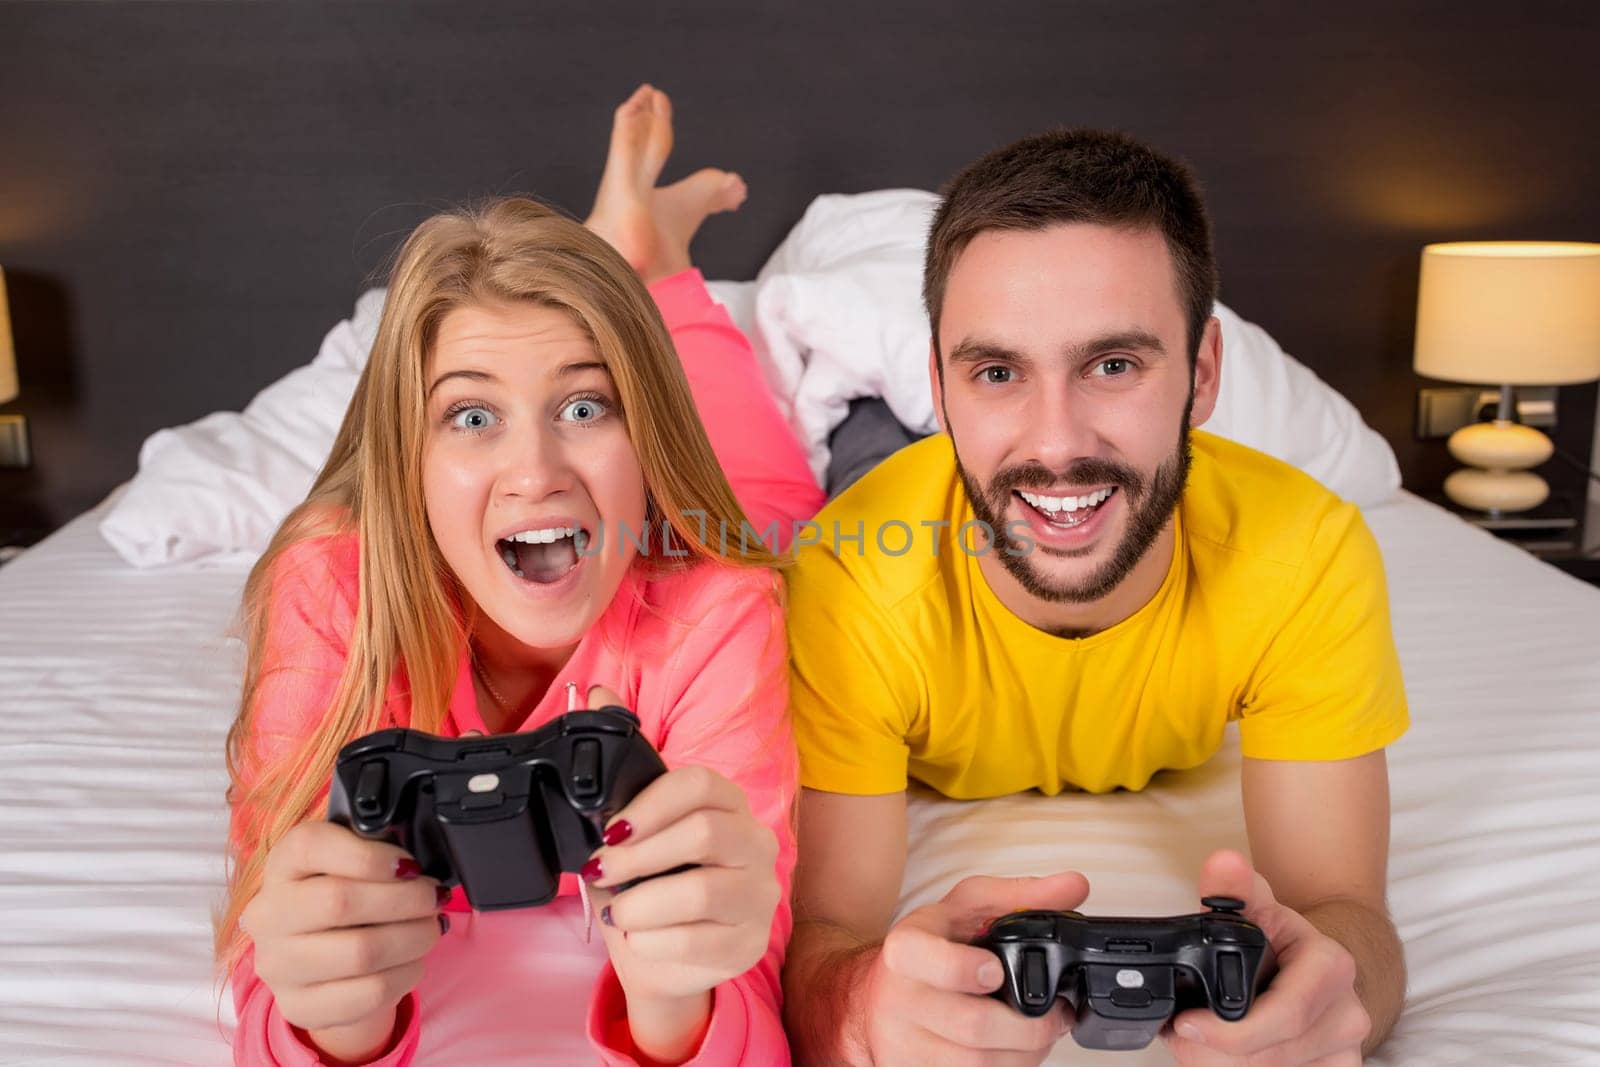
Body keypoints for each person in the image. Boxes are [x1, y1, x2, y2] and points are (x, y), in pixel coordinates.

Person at [216, 84, 823, 1066]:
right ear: (406, 460)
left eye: (587, 407)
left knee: (773, 500)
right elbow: (275, 958)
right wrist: (330, 1013)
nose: (535, 471)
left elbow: (743, 976)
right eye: (470, 416)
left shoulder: (719, 600)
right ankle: (634, 232)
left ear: (642, 436)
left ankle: (653, 251)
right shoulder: (327, 585)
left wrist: (679, 995)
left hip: (684, 534)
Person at [782, 129, 1408, 1066]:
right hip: (902, 492)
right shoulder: (844, 581)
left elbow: (1350, 915)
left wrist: (1332, 995)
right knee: (803, 473)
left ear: (1202, 374)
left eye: (1113, 364)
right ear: (941, 388)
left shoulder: (1308, 552)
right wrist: (862, 1010)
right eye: (996, 372)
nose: (1057, 436)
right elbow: (818, 944)